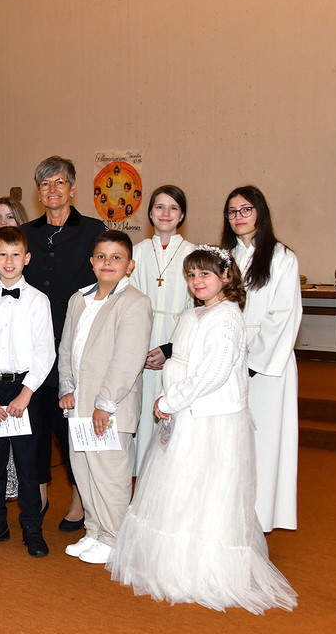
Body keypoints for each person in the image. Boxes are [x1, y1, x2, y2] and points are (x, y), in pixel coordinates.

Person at [108, 246, 298, 614]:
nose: (197, 281)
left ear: (226, 277)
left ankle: (201, 569)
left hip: (209, 417)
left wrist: (171, 400)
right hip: (186, 412)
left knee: (204, 489)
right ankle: (170, 562)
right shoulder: (195, 313)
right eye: (192, 275)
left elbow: (213, 373)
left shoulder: (226, 317)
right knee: (180, 487)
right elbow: (183, 360)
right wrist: (170, 396)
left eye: (205, 274)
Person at [21, 155, 105, 533]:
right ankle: (39, 493)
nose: (52, 190)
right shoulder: (27, 233)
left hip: (74, 346)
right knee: (35, 425)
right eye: (45, 184)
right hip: (32, 347)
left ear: (72, 188)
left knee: (69, 425)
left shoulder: (93, 231)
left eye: (59, 182)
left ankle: (78, 497)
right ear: (38, 192)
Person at [58, 231, 152, 565]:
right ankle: (95, 531)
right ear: (92, 262)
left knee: (110, 474)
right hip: (79, 404)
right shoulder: (79, 299)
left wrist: (105, 404)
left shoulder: (135, 302)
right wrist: (66, 387)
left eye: (116, 258)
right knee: (85, 470)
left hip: (109, 408)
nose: (107, 263)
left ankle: (114, 538)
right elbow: (66, 347)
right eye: (101, 256)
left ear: (130, 265)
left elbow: (128, 359)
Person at [0, 226, 55, 557]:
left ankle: (32, 526)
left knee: (28, 463)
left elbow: (46, 352)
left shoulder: (38, 301)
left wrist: (26, 393)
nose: (9, 260)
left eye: (16, 254)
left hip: (25, 390)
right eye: (2, 254)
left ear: (26, 258)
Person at [222, 186, 301, 532]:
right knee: (228, 445)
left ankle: (258, 521)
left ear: (260, 213)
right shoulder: (223, 257)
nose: (238, 217)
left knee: (263, 444)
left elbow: (283, 314)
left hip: (266, 368)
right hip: (225, 361)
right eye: (232, 211)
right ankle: (228, 519)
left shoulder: (281, 257)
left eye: (246, 209)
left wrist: (251, 362)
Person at [128, 185, 195, 473]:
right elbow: (128, 304)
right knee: (142, 414)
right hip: (141, 345)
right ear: (150, 213)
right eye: (159, 207)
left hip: (178, 347)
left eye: (173, 208)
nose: (165, 213)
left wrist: (170, 349)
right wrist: (138, 348)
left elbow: (197, 309)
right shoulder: (137, 252)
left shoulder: (194, 254)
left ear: (182, 215)